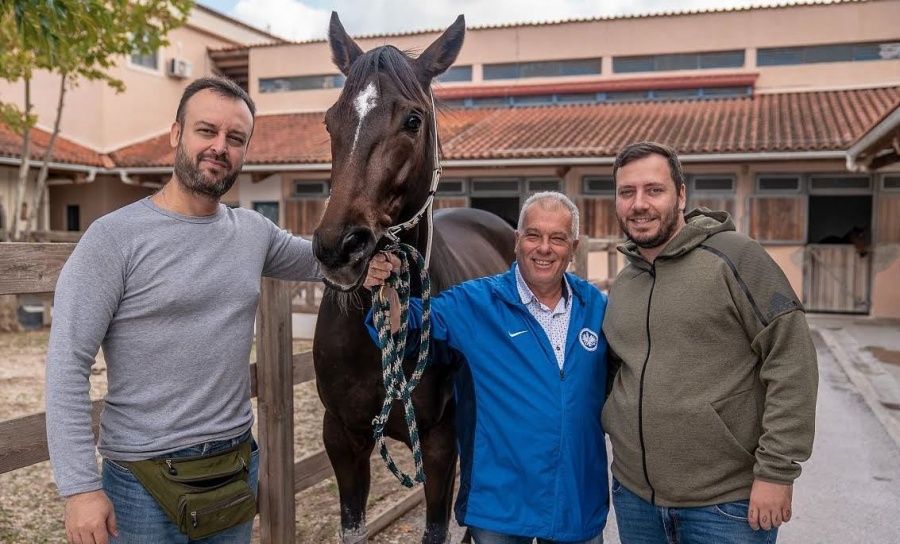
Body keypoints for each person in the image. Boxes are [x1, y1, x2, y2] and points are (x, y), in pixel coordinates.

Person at [45, 76, 320, 544]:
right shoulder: (114, 238)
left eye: (235, 139)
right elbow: (67, 363)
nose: (220, 147)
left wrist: (379, 249)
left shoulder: (254, 232)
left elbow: (322, 259)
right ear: (177, 134)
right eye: (206, 131)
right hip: (141, 481)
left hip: (234, 466)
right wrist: (80, 488)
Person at [601, 141, 818, 543]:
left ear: (681, 195)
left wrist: (777, 471)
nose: (639, 204)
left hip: (725, 506)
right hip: (635, 499)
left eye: (654, 190)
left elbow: (792, 359)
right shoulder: (624, 284)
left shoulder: (737, 257)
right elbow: (616, 372)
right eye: (626, 192)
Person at [365, 192, 610, 544]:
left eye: (557, 238)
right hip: (500, 507)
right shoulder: (476, 303)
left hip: (576, 501)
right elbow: (404, 323)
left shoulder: (596, 308)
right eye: (533, 235)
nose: (544, 248)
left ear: (573, 247)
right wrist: (387, 285)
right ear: (517, 241)